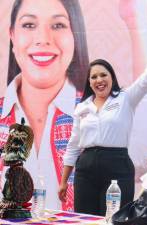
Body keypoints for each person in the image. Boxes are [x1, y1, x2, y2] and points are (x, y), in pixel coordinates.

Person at [58, 27, 147, 216]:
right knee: (85, 219)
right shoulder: (82, 107)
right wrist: (63, 181)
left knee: (115, 218)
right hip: (86, 170)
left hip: (118, 168)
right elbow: (73, 146)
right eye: (94, 77)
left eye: (103, 75)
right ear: (89, 83)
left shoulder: (126, 98)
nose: (99, 80)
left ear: (112, 78)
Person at [0, 0, 89, 210]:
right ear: (12, 35)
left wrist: (136, 20)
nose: (43, 39)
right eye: (29, 25)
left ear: (75, 37)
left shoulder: (94, 114)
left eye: (58, 25)